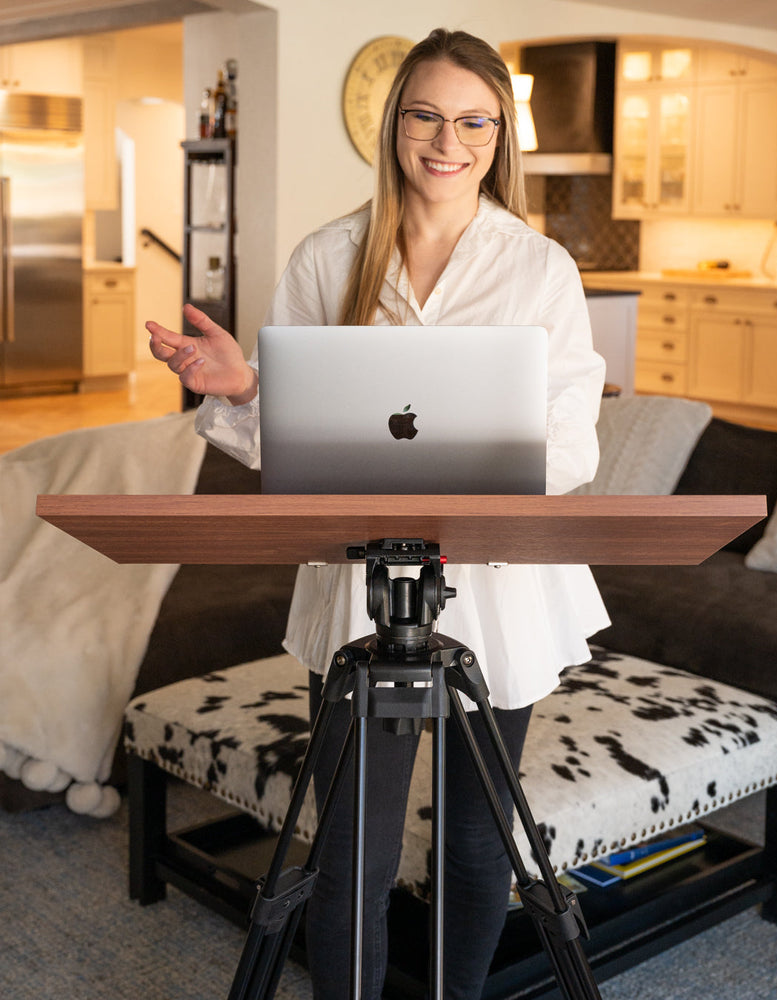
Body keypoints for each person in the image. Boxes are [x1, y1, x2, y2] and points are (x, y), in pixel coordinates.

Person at [147, 27, 609, 1000]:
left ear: (499, 133)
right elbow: (295, 445)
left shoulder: (538, 269)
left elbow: (572, 445)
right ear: (396, 122)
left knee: (482, 851)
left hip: (500, 587)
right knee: (349, 850)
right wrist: (242, 388)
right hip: (360, 587)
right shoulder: (329, 257)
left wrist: (462, 467)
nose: (449, 140)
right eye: (427, 114)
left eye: (474, 119)